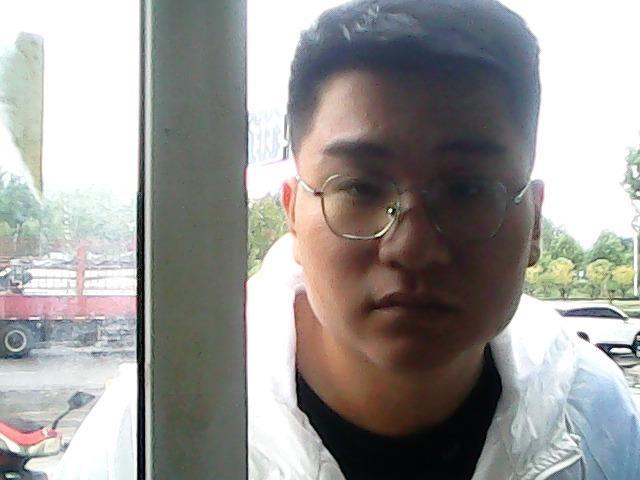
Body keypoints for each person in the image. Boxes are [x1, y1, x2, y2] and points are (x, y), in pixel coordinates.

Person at [57, 1, 640, 479]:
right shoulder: (156, 431)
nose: (412, 248)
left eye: (466, 190)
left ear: (533, 223)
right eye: (358, 187)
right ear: (293, 212)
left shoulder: (591, 416)